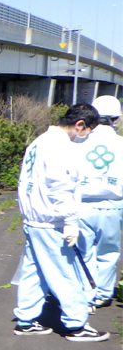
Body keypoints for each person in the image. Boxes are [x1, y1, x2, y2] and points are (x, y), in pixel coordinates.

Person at [13, 103, 109, 342]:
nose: (85, 136)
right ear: (80, 125)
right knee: (66, 272)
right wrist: (69, 220)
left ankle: (25, 320)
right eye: (88, 130)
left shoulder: (40, 141)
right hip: (51, 220)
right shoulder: (60, 146)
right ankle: (76, 324)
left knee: (34, 271)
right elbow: (60, 186)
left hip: (34, 219)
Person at [75, 95, 123, 309]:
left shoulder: (78, 141)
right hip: (113, 206)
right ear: (116, 119)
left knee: (84, 251)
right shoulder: (120, 143)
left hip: (81, 204)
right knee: (109, 251)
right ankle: (103, 293)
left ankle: (86, 293)